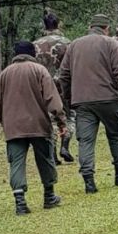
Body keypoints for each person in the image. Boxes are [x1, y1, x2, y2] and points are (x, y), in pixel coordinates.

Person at [59, 14, 118, 194]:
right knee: (116, 135)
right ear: (106, 28)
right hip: (108, 98)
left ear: (90, 27)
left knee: (85, 140)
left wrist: (69, 99)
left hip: (82, 102)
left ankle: (89, 181)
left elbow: (63, 75)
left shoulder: (74, 45)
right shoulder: (111, 43)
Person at [0, 41, 66, 215]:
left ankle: (20, 202)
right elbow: (52, 99)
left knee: (16, 163)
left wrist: (4, 120)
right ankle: (49, 196)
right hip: (38, 124)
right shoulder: (39, 70)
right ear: (32, 53)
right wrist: (61, 119)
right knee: (45, 158)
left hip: (13, 128)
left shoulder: (4, 74)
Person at [33, 9, 75, 163]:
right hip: (63, 87)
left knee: (49, 120)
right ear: (58, 24)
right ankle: (65, 145)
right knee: (69, 117)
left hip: (42, 88)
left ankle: (52, 153)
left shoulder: (35, 45)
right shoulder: (67, 43)